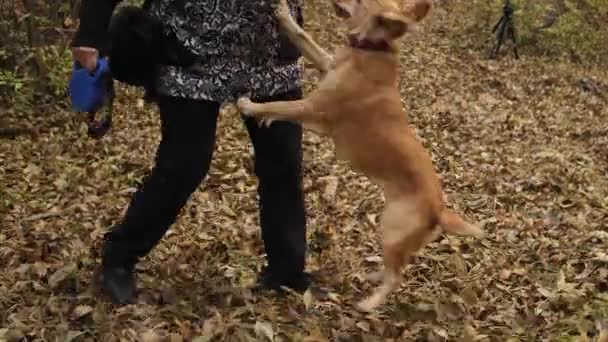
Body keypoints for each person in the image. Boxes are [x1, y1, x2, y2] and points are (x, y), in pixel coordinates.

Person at [71, 0, 311, 304]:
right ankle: (119, 257)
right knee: (183, 165)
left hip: (269, 53)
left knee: (283, 162)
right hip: (187, 48)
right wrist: (91, 34)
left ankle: (287, 272)